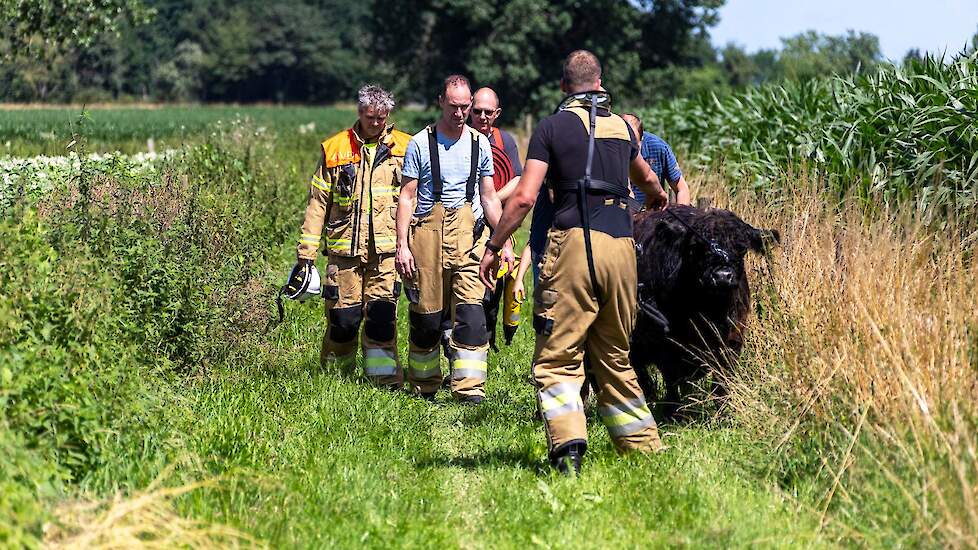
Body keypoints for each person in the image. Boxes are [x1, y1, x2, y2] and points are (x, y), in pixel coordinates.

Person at [478, 50, 668, 474]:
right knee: (615, 354)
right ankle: (643, 451)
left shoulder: (552, 126)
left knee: (558, 356)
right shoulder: (623, 128)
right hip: (621, 248)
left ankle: (567, 451)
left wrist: (494, 247)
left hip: (574, 247)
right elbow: (649, 180)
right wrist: (657, 200)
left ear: (563, 87)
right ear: (600, 85)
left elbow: (525, 196)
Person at [395, 75, 514, 405]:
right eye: (454, 106)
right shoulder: (420, 143)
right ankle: (424, 384)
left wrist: (503, 240)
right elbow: (407, 196)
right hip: (427, 237)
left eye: (466, 107)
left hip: (469, 236)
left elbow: (489, 197)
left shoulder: (480, 144)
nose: (460, 113)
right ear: (441, 102)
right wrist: (402, 245)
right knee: (427, 319)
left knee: (473, 317)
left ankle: (469, 388)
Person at [288, 85, 411, 389]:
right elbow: (317, 204)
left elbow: (415, 201)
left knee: (381, 320)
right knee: (343, 321)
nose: (376, 123)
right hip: (344, 254)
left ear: (389, 115)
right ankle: (335, 381)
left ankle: (382, 383)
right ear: (359, 112)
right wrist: (306, 254)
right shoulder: (335, 149)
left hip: (385, 254)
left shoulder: (406, 148)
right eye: (371, 117)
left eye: (382, 118)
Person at [469, 86, 524, 350]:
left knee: (495, 282)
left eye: (487, 112)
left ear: (497, 113)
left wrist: (492, 199)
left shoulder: (505, 142)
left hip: (496, 221)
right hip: (462, 222)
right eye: (476, 110)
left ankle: (489, 339)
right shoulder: (458, 137)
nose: (481, 116)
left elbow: (517, 178)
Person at [621, 113, 690, 205]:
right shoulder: (605, 151)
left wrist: (680, 214)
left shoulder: (659, 147)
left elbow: (682, 189)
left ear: (642, 138)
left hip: (653, 213)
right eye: (625, 146)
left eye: (634, 146)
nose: (630, 150)